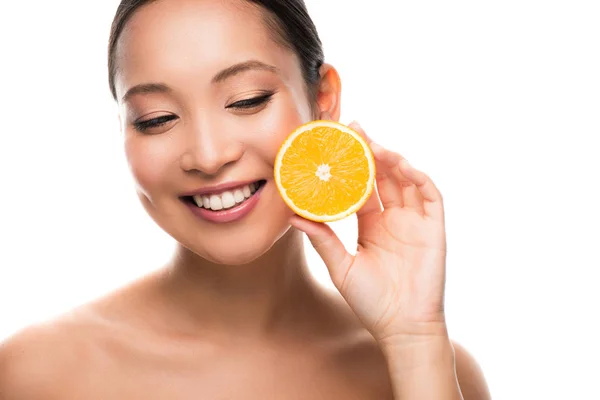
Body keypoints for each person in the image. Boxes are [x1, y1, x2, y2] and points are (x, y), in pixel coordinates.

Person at [0, 0, 491, 398]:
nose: (209, 156)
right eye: (156, 118)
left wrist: (413, 343)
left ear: (323, 101)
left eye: (247, 100)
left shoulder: (438, 373)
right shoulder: (35, 375)